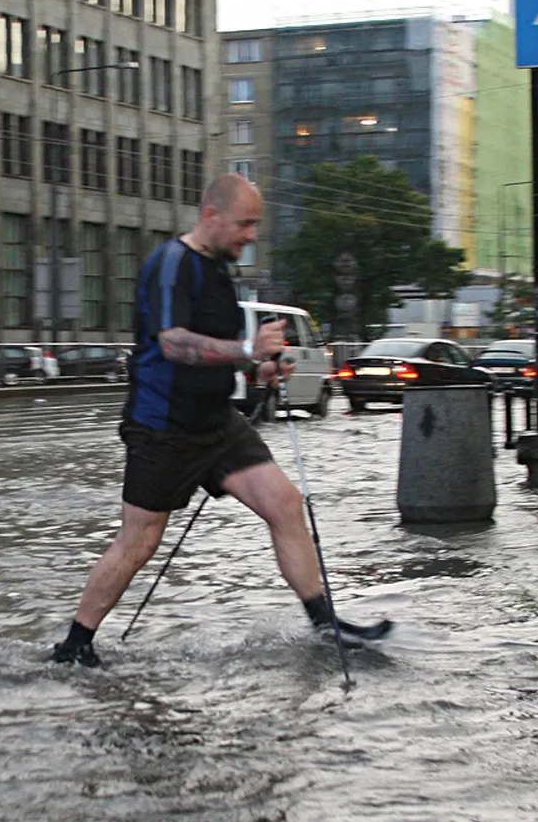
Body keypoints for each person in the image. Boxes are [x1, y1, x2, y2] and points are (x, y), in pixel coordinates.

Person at [50, 174, 390, 668]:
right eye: (245, 224)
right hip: (163, 426)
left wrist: (260, 367)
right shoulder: (172, 264)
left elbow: (217, 350)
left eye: (255, 225)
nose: (252, 235)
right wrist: (249, 349)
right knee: (139, 540)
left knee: (286, 504)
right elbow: (173, 343)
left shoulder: (219, 271)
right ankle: (76, 644)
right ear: (212, 215)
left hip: (217, 422)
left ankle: (325, 625)